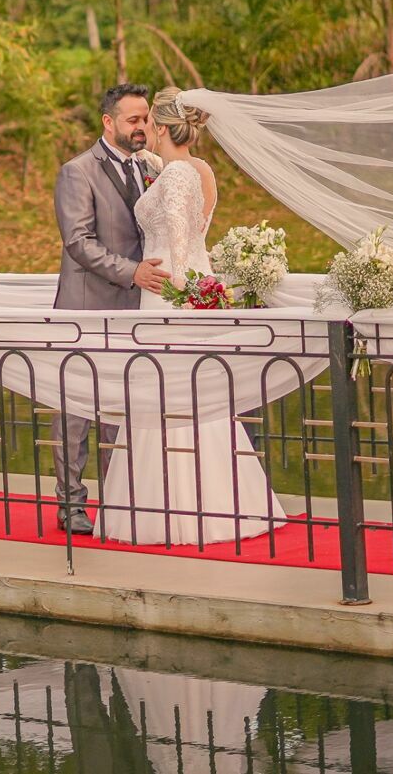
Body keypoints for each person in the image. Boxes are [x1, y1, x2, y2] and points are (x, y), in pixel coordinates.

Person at [95, 87, 282, 545]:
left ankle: (172, 514)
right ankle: (221, 505)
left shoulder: (177, 174)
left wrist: (176, 290)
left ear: (160, 127)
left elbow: (179, 249)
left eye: (149, 124)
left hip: (168, 295)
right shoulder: (198, 169)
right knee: (197, 401)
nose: (143, 131)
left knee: (168, 399)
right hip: (193, 291)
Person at [50, 83, 170, 535]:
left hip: (134, 310)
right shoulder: (77, 171)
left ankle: (116, 500)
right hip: (86, 309)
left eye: (146, 120)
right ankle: (71, 505)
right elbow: (78, 242)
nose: (142, 128)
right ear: (109, 122)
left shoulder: (150, 168)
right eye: (133, 120)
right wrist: (132, 272)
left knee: (120, 408)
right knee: (76, 413)